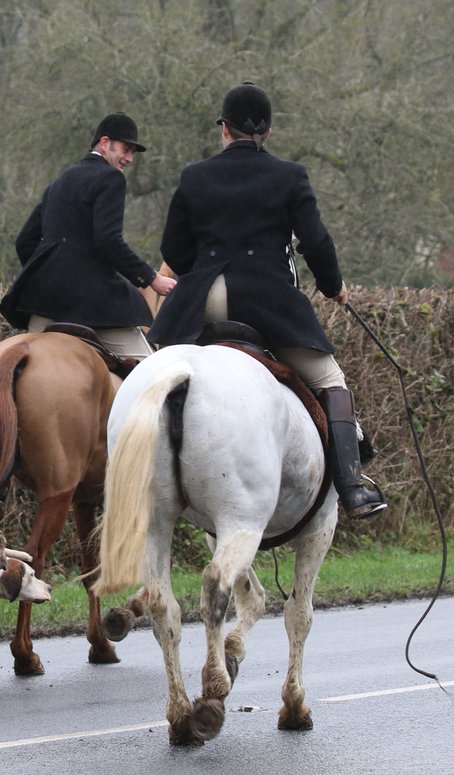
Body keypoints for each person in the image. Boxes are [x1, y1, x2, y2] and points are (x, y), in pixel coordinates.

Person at [148, 82, 387, 520]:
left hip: (202, 301)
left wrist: (204, 268)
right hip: (265, 302)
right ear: (268, 132)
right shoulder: (289, 175)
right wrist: (333, 286)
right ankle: (353, 487)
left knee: (151, 378)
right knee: (331, 379)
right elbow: (315, 240)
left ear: (224, 129)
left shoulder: (194, 176)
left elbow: (175, 250)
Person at [0, 112, 178, 360]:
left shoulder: (60, 181)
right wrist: (151, 278)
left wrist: (50, 274)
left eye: (133, 153)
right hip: (91, 302)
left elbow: (25, 242)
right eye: (126, 149)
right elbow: (108, 240)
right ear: (104, 143)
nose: (129, 159)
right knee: (149, 369)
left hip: (44, 301)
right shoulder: (111, 178)